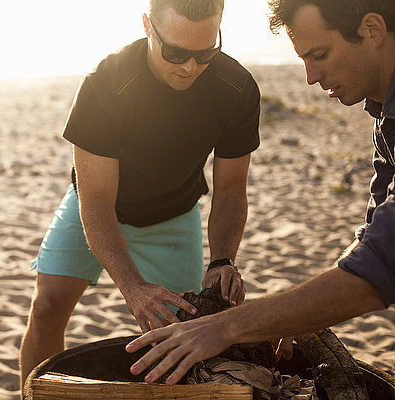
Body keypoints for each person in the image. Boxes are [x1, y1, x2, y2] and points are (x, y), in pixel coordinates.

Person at [126, 0, 394, 386]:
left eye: (319, 55)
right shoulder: (385, 116)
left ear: (371, 30)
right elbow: (376, 231)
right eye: (304, 59)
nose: (310, 77)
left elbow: (383, 263)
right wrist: (300, 312)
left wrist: (226, 327)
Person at [20, 0, 262, 386]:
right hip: (97, 208)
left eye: (205, 54)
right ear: (148, 26)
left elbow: (231, 190)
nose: (190, 67)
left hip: (176, 215)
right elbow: (95, 199)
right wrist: (131, 286)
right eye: (176, 52)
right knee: (47, 308)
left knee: (180, 330)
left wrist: (222, 260)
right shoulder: (106, 83)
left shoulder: (236, 87)